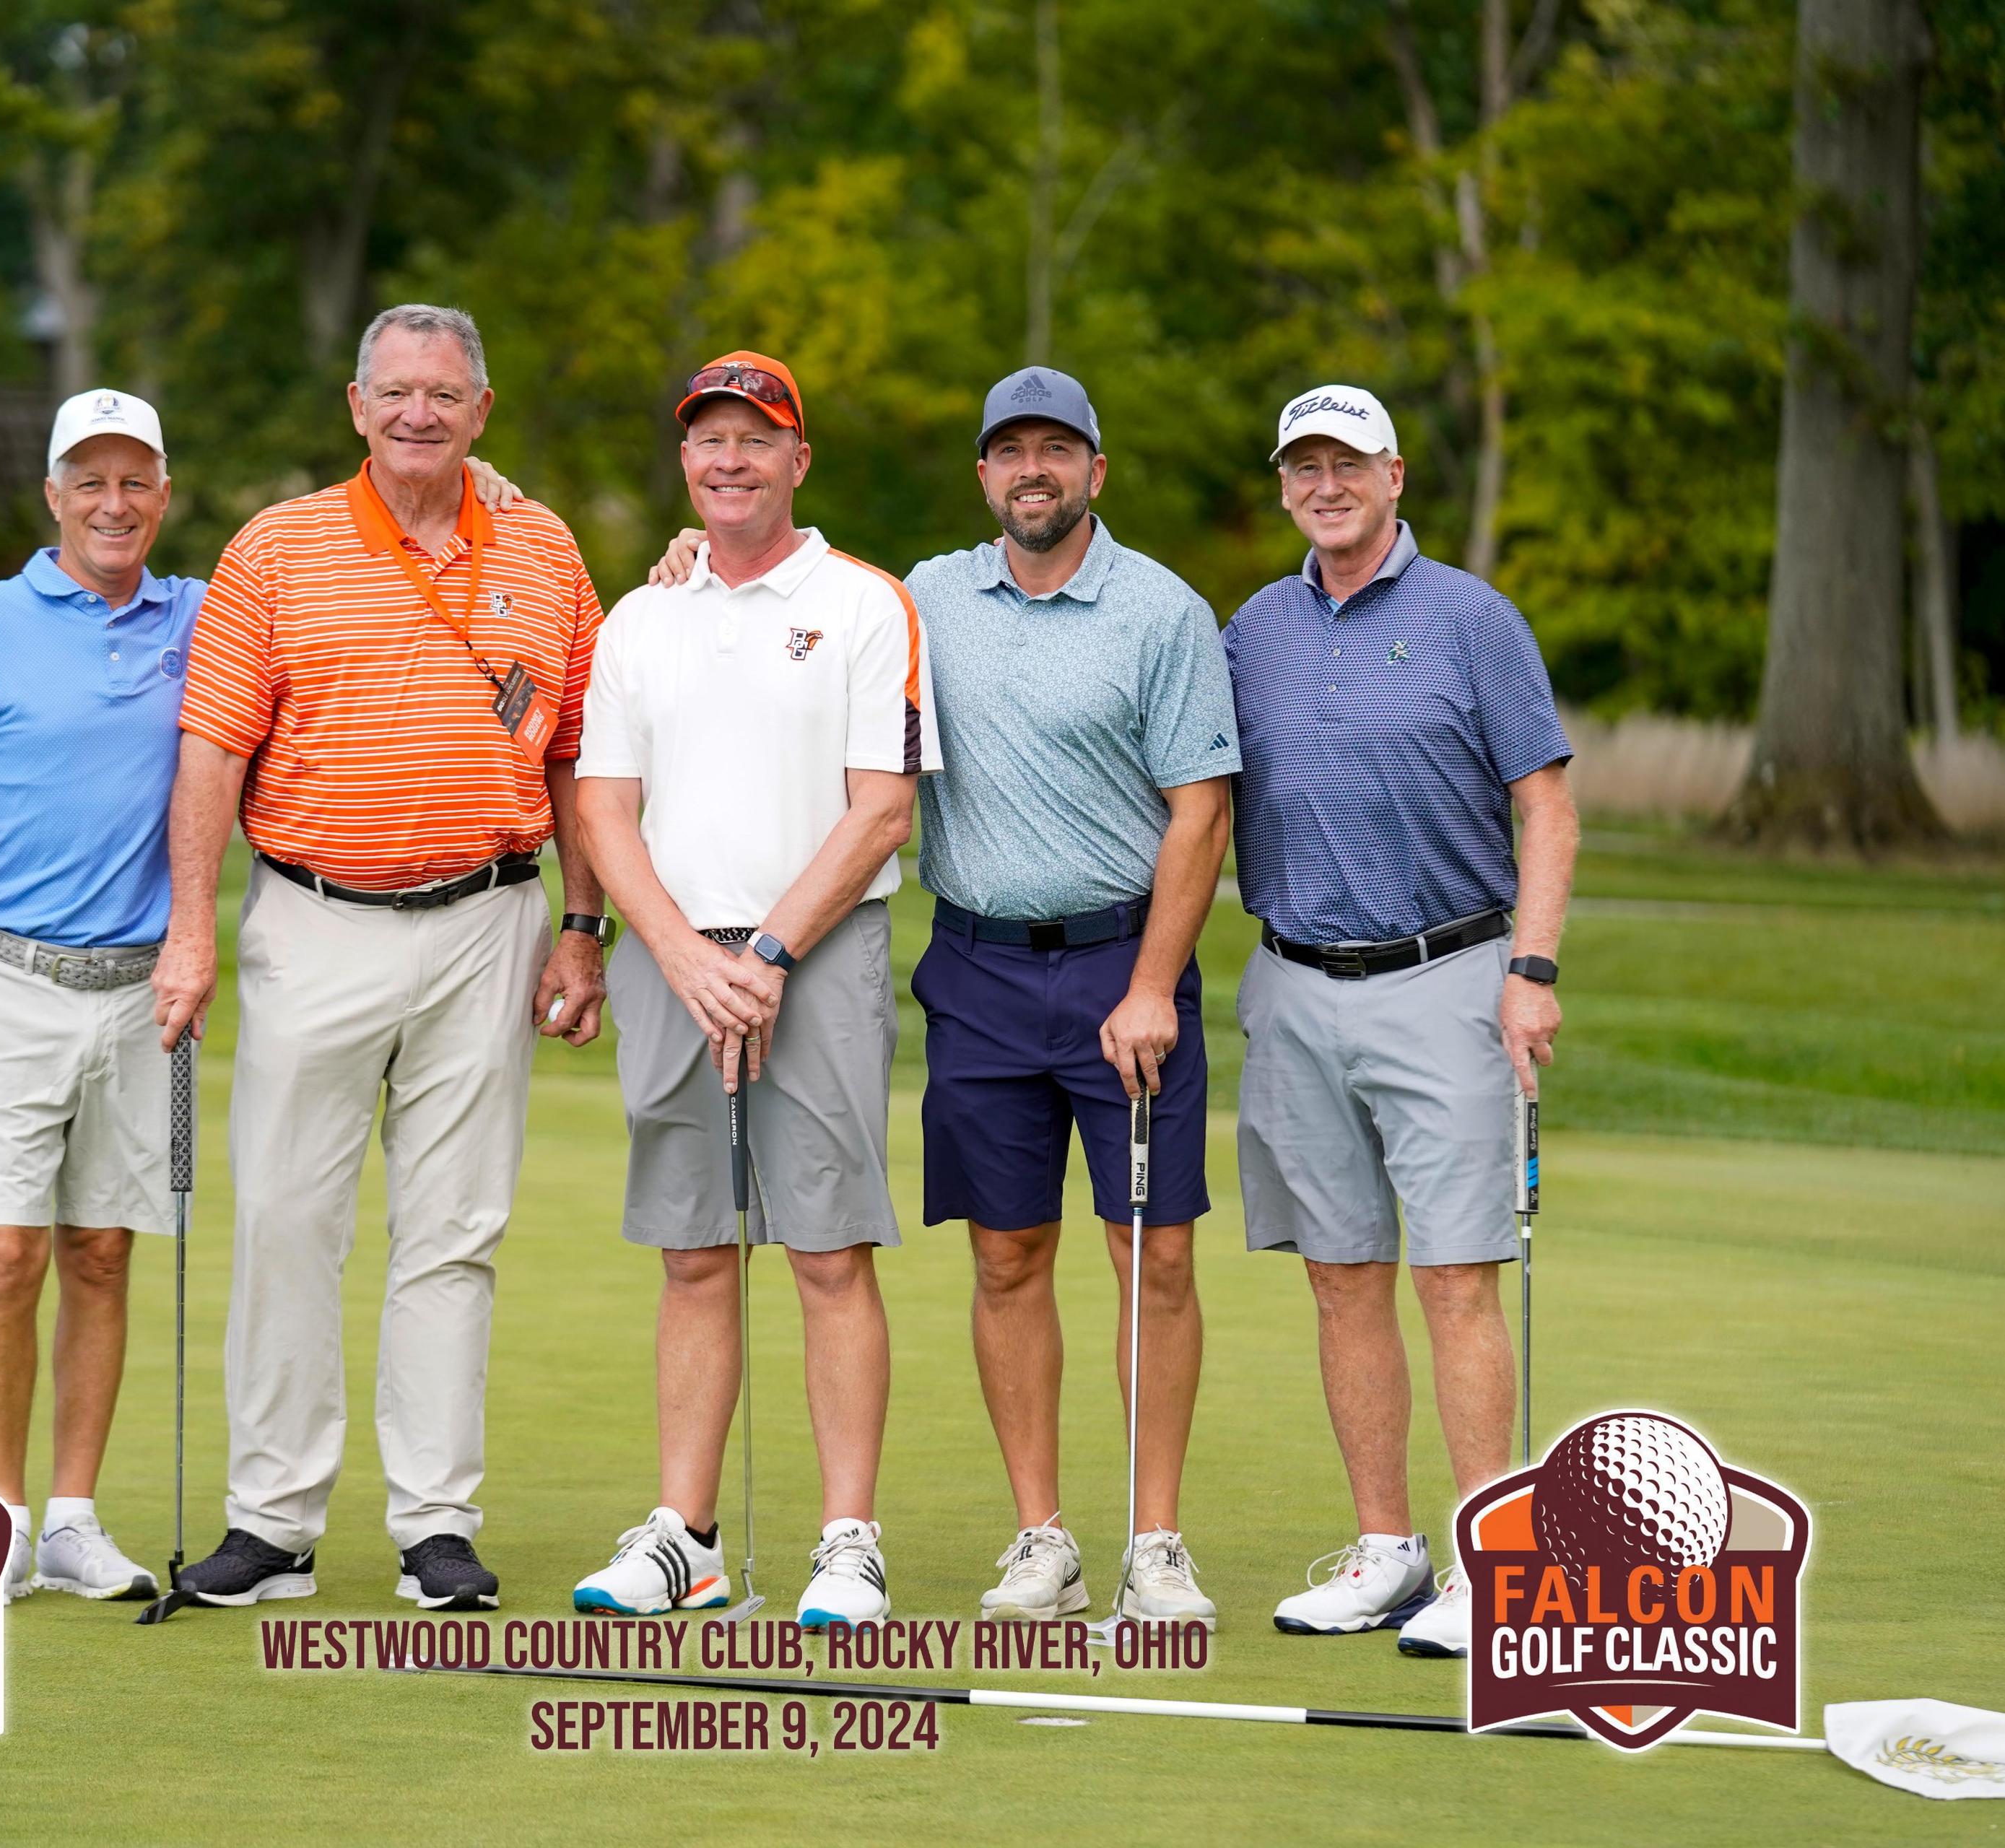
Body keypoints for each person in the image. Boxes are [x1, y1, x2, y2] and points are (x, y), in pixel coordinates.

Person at [640, 367, 1239, 1627]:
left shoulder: (1162, 610)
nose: (1035, 472)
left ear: (1096, 470)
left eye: (1058, 452)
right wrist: (689, 558)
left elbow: (1201, 811)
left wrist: (1148, 987)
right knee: (1007, 1255)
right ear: (982, 474)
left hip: (1121, 967)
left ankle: (1157, 1542)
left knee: (1156, 1258)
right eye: (1010, 452)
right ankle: (1043, 1539)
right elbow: (778, 592)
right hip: (972, 969)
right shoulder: (918, 599)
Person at [152, 304, 609, 1614]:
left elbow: (576, 749)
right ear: (356, 406)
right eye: (396, 391)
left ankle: (435, 1528)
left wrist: (583, 924)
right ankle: (274, 1524)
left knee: (452, 1234)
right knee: (289, 1221)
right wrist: (191, 933)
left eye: (445, 393)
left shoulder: (542, 544)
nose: (420, 413)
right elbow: (213, 751)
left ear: (481, 410)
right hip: (313, 917)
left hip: (489, 922)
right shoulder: (276, 549)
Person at [570, 352, 936, 1628]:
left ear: (797, 459)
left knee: (827, 1252)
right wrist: (678, 955)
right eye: (707, 440)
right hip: (673, 957)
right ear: (685, 460)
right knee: (691, 1253)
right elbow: (604, 806)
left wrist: (767, 957)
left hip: (815, 957)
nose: (728, 460)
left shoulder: (864, 603)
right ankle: (688, 1536)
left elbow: (881, 811)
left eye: (754, 439)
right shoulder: (638, 615)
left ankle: (848, 1539)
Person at [1227, 385, 1578, 1657]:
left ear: (1394, 476)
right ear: (1283, 485)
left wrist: (1530, 968)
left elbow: (1544, 805)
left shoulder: (1471, 619)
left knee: (1453, 1278)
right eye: (1302, 465)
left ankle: (1491, 1562)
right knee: (1339, 1277)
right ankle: (1386, 1553)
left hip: (1447, 977)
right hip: (1292, 979)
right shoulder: (1252, 629)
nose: (1325, 484)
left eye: (1347, 464)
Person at [0, 387, 201, 1604]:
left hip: (143, 994)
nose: (114, 504)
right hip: (5, 980)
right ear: (51, 494)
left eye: (136, 482)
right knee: (9, 1255)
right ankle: (0, 1519)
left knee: (101, 1254)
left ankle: (72, 1517)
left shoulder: (205, 620)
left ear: (164, 494)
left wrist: (498, 498)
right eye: (90, 482)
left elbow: (349, 621)